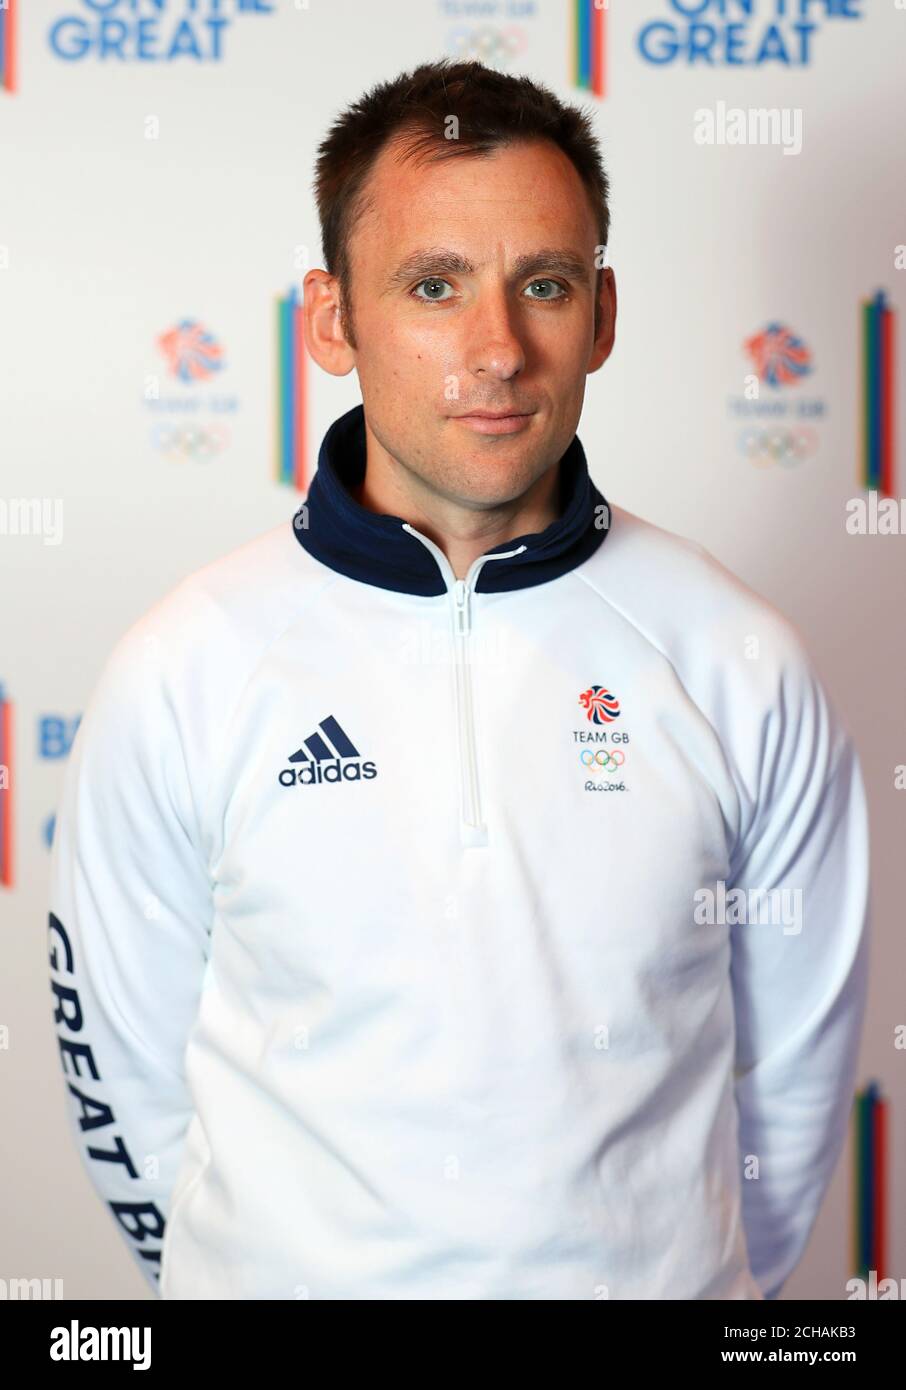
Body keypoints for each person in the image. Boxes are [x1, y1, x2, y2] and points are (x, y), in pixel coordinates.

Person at [48, 58, 870, 1301]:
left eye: (543, 285)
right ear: (333, 319)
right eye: (434, 286)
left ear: (599, 315)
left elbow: (798, 1079)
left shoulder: (734, 655)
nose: (497, 350)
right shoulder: (187, 663)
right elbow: (124, 1077)